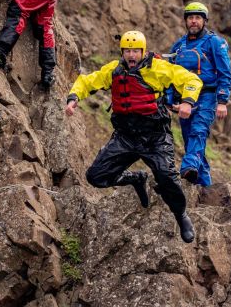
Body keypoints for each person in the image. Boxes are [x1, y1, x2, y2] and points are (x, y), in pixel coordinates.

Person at [65, 30, 203, 243]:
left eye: (136, 51)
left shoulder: (158, 68)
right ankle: (136, 178)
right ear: (123, 52)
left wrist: (187, 101)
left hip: (155, 136)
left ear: (143, 51)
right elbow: (87, 82)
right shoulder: (114, 70)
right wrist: (74, 97)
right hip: (125, 137)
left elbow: (191, 80)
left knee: (167, 177)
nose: (131, 55)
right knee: (96, 177)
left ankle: (181, 214)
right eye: (127, 51)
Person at [165, 2, 231, 186]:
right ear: (186, 21)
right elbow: (169, 75)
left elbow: (225, 73)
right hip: (185, 100)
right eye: (190, 18)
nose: (194, 21)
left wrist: (222, 101)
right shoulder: (178, 46)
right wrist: (169, 100)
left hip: (207, 96)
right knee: (190, 142)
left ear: (204, 20)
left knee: (199, 131)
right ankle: (204, 187)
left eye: (197, 18)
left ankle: (187, 167)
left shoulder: (215, 43)